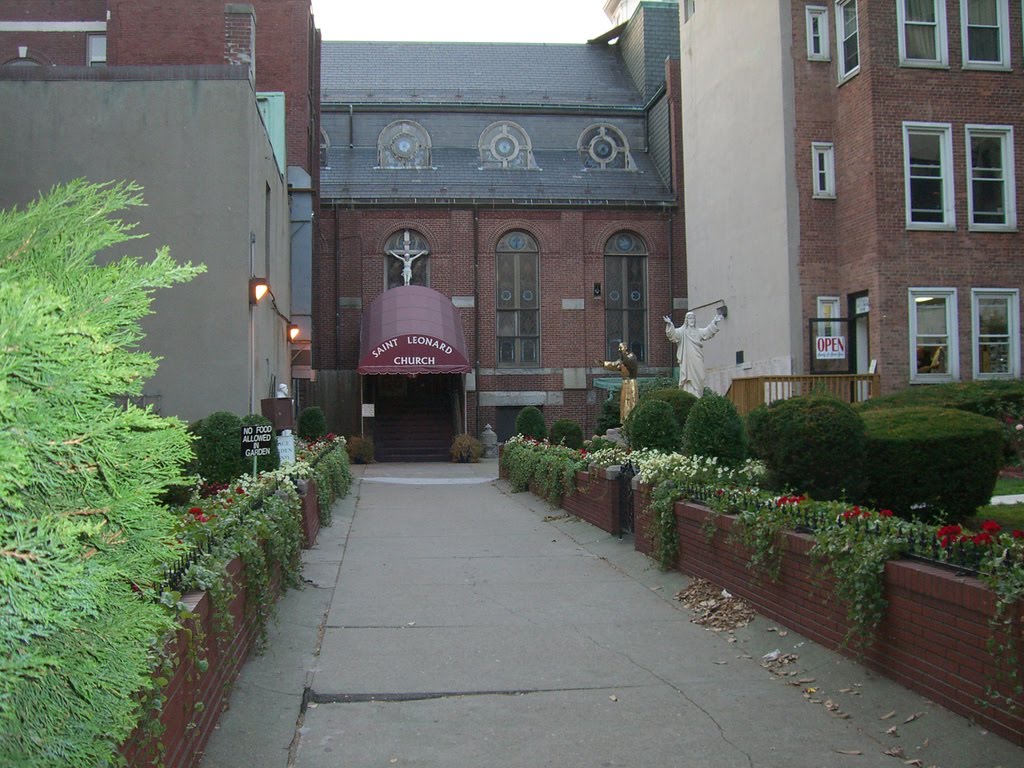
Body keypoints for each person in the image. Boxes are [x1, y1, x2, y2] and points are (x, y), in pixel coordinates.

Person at [664, 311, 723, 397]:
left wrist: (714, 321)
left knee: (701, 376)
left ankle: (698, 395)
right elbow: (673, 335)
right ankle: (689, 395)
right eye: (690, 318)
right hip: (687, 359)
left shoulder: (698, 331)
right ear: (686, 320)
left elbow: (707, 332)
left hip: (697, 357)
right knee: (688, 378)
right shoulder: (682, 332)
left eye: (693, 318)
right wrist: (670, 324)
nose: (692, 320)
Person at [599, 342, 640, 422]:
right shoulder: (622, 360)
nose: (619, 350)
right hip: (625, 383)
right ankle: (624, 421)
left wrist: (623, 354)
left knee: (631, 402)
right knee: (623, 403)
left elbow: (629, 363)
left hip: (631, 383)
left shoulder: (631, 357)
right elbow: (614, 365)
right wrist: (604, 364)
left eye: (620, 348)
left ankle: (632, 421)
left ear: (625, 348)